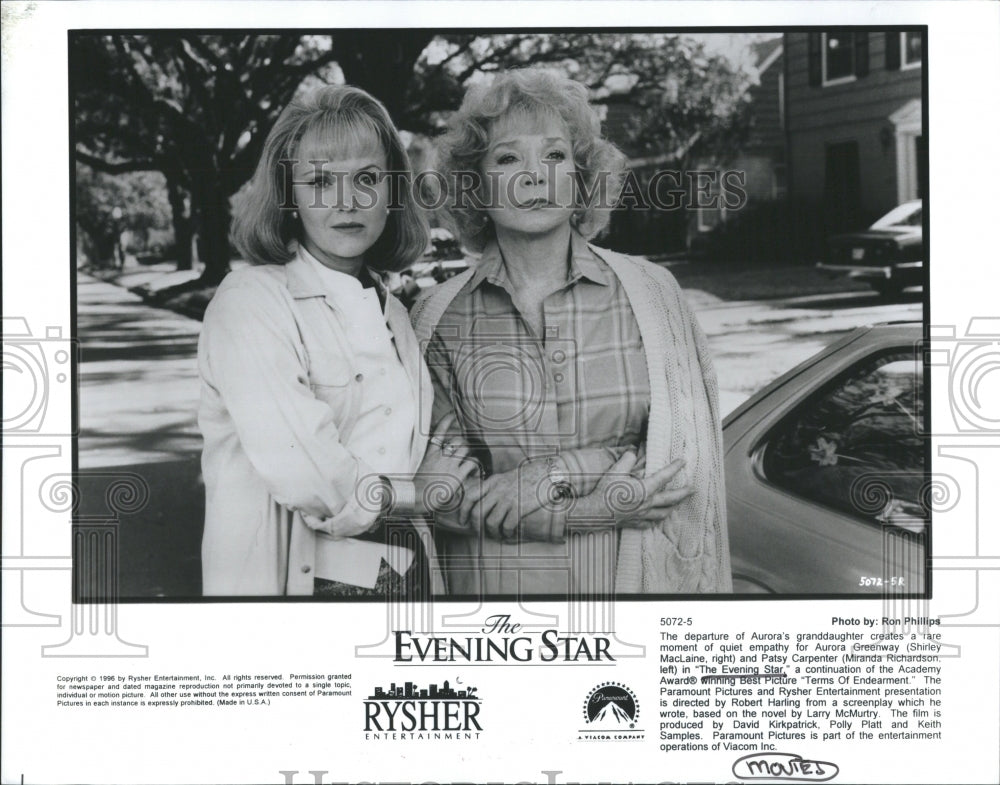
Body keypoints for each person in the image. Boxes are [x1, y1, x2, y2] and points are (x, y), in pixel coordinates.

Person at [411, 68, 732, 596]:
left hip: (632, 599)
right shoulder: (436, 316)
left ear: (581, 177)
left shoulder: (654, 295)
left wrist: (554, 474)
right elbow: (439, 493)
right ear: (475, 185)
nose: (535, 175)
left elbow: (685, 460)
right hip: (491, 610)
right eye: (509, 158)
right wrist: (586, 511)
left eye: (555, 155)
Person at [198, 85, 476, 597]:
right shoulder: (250, 302)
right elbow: (307, 474)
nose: (347, 202)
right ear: (289, 194)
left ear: (393, 191)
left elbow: (433, 449)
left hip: (404, 574)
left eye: (367, 178)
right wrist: (418, 491)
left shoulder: (393, 310)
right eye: (321, 181)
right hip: (299, 589)